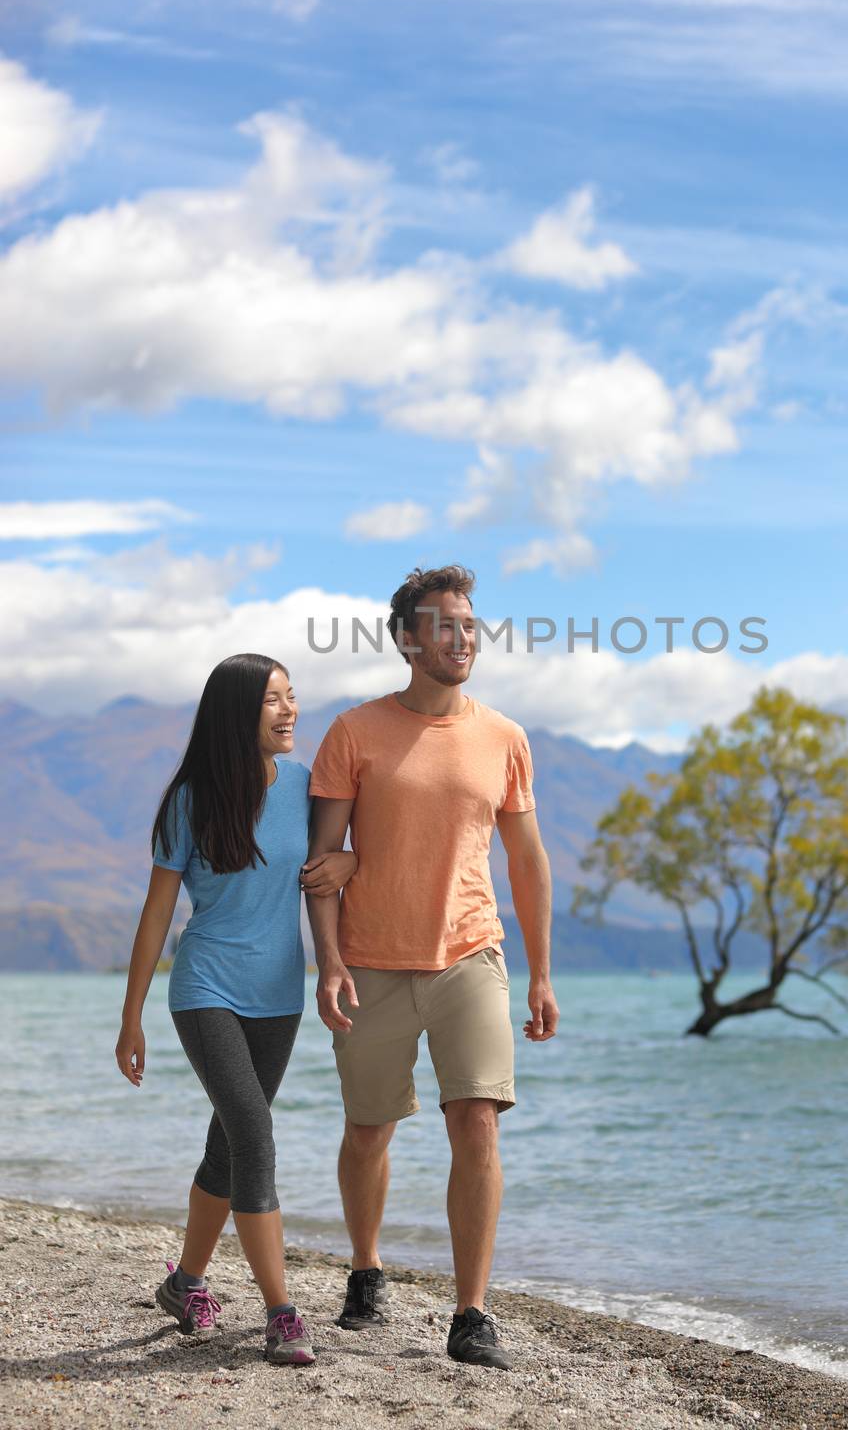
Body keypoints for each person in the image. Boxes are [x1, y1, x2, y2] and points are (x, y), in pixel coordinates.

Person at [301, 564, 559, 1371]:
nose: (462, 639)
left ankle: (471, 1312)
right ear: (408, 639)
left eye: (471, 626)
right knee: (368, 1129)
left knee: (475, 1121)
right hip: (371, 961)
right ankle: (366, 1269)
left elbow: (527, 861)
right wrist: (330, 961)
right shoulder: (353, 732)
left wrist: (543, 973)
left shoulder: (504, 738)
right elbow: (321, 861)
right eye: (444, 626)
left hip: (469, 954)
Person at [115, 654, 354, 1366]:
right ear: (235, 712)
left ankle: (184, 1282)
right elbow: (157, 912)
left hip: (278, 996)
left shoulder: (307, 786)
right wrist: (131, 1017)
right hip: (206, 988)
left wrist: (350, 862)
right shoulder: (190, 798)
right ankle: (282, 1313)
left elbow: (326, 869)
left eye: (291, 697)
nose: (290, 711)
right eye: (273, 701)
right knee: (253, 1132)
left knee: (228, 1143)